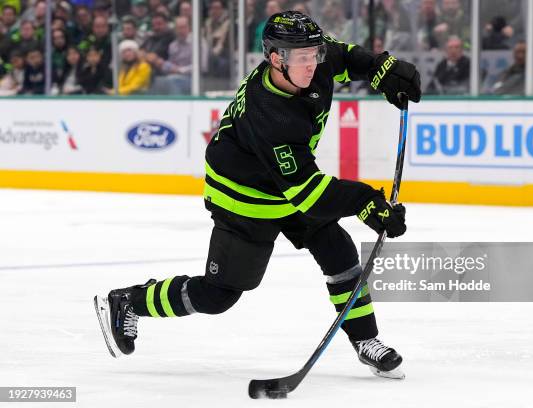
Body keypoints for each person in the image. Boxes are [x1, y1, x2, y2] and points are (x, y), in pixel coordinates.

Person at [94, 11, 421, 379]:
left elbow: (344, 56)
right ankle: (129, 301)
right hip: (243, 195)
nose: (311, 64)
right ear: (275, 58)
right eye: (301, 58)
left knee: (338, 250)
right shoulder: (270, 115)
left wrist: (384, 68)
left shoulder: (310, 60)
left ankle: (366, 340)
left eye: (314, 54)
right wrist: (365, 201)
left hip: (289, 184)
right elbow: (309, 194)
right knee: (219, 295)